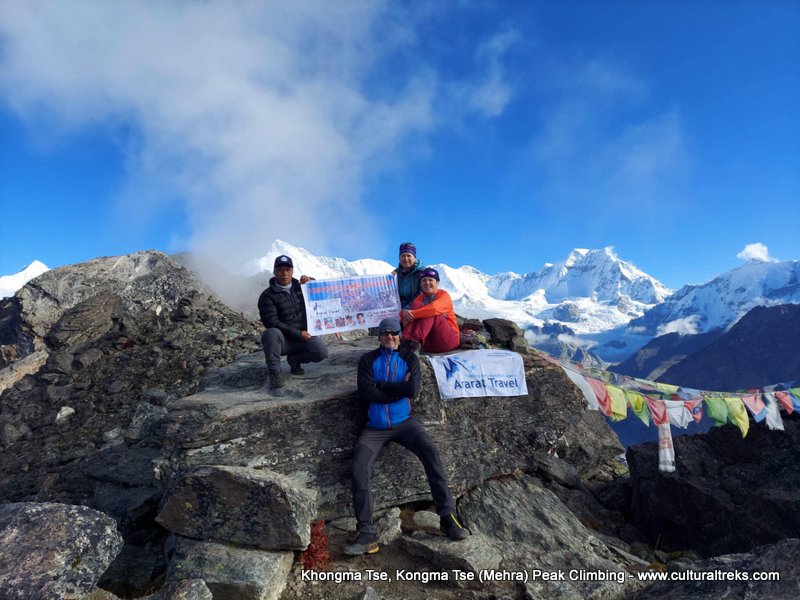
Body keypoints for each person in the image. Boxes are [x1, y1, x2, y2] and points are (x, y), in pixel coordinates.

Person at [344, 317, 469, 556]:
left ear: (399, 335)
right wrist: (396, 389)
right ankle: (367, 532)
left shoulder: (409, 358)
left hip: (405, 424)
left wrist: (381, 385)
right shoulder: (368, 360)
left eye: (393, 332)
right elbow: (366, 393)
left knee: (431, 452)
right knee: (360, 466)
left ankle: (448, 517)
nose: (389, 336)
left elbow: (412, 390)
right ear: (378, 337)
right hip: (375, 427)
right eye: (384, 333)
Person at [258, 255, 328, 389]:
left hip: (303, 338)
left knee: (321, 352)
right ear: (274, 271)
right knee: (270, 333)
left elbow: (321, 297)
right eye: (280, 270)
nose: (284, 273)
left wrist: (312, 282)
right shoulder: (267, 296)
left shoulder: (302, 287)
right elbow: (271, 321)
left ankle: (295, 360)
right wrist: (298, 333)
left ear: (292, 271)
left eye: (288, 269)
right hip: (283, 341)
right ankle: (275, 373)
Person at [401, 268, 460, 353]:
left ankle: (414, 341)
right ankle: (406, 341)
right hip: (428, 344)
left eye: (430, 280)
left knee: (431, 312)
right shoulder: (419, 299)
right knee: (418, 307)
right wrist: (404, 314)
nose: (427, 283)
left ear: (437, 282)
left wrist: (411, 314)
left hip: (448, 341)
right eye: (424, 280)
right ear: (420, 284)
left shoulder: (444, 295)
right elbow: (407, 317)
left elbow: (434, 309)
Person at [393, 242, 425, 309]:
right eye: (403, 256)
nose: (406, 258)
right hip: (398, 310)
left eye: (408, 255)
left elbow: (421, 295)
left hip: (417, 308)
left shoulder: (422, 273)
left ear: (414, 257)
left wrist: (406, 309)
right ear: (399, 258)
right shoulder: (395, 274)